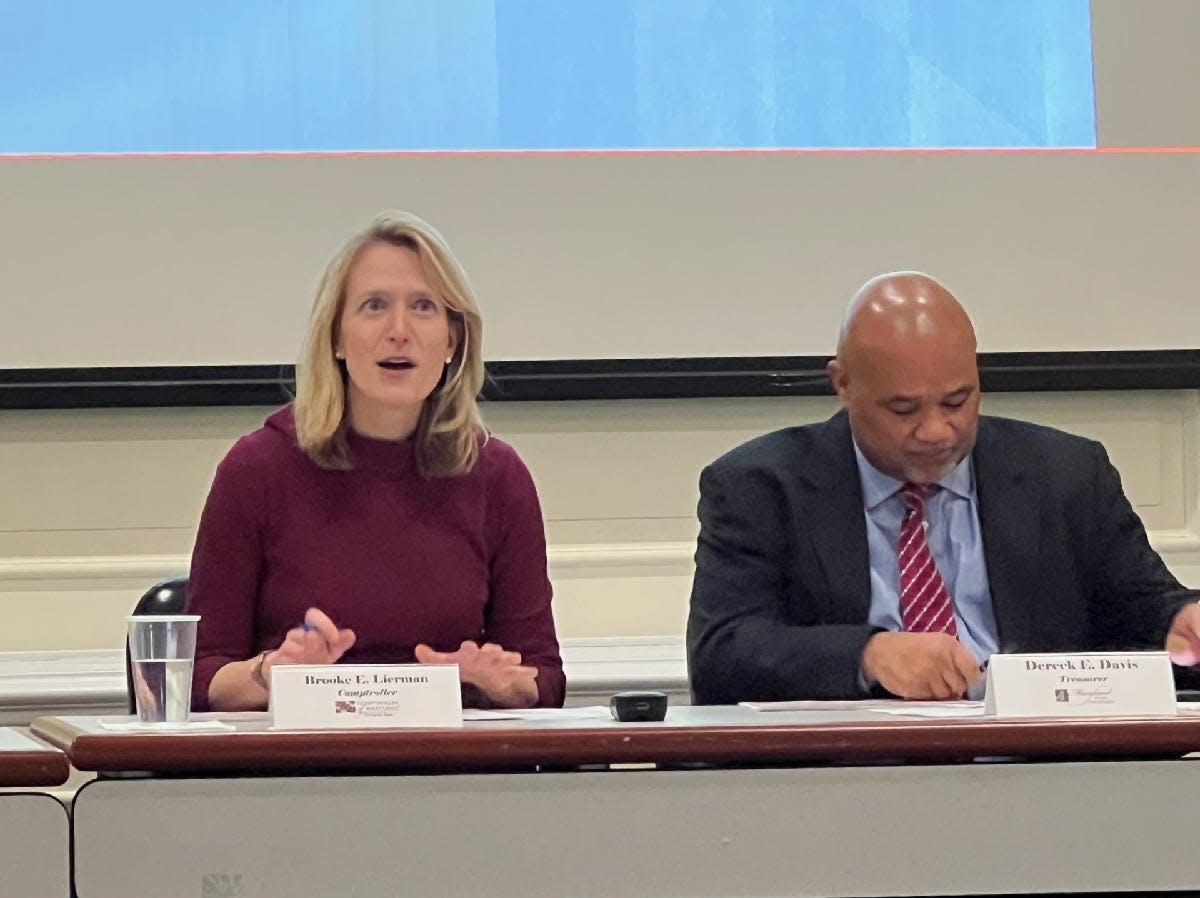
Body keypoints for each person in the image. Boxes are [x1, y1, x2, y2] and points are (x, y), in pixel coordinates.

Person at [687, 272, 1200, 703]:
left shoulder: (1067, 474)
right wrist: (868, 654)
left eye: (957, 401)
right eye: (903, 409)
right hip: (851, 780)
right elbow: (722, 652)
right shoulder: (761, 487)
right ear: (843, 384)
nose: (937, 432)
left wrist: (1182, 621)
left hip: (1042, 772)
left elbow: (1148, 610)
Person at [188, 211, 564, 711]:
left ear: (452, 340)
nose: (399, 330)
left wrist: (499, 681)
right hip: (294, 777)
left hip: (449, 776)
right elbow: (198, 679)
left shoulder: (497, 477)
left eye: (424, 307)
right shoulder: (256, 470)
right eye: (374, 306)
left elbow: (543, 679)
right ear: (338, 338)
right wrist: (270, 672)